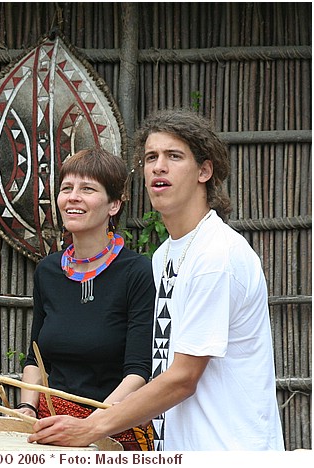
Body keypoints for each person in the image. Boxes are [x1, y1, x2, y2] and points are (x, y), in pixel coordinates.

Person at [29, 108, 285, 450]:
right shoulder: (165, 255)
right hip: (183, 448)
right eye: (151, 157)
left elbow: (182, 379)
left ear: (204, 170)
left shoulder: (215, 255)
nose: (158, 167)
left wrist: (91, 428)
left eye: (174, 156)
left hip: (229, 449)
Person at [15, 147, 156, 451]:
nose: (73, 197)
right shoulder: (48, 271)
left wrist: (91, 425)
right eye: (67, 188)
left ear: (114, 205)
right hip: (52, 427)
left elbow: (139, 372)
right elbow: (35, 358)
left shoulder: (137, 272)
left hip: (115, 428)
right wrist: (26, 408)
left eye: (88, 189)